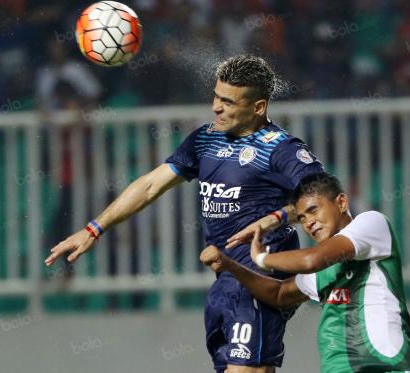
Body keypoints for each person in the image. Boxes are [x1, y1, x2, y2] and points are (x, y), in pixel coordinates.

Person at [45, 55, 324, 373]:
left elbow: (322, 197)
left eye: (228, 102)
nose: (216, 107)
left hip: (261, 277)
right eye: (217, 97)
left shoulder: (281, 148)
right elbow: (151, 185)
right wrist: (94, 228)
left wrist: (279, 217)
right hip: (225, 279)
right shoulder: (205, 139)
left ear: (259, 107)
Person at [200, 172, 410, 373]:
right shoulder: (323, 266)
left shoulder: (372, 224)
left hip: (385, 367)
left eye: (313, 210)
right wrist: (230, 265)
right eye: (303, 218)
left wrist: (261, 258)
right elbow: (279, 294)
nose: (309, 223)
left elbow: (311, 260)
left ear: (342, 202)